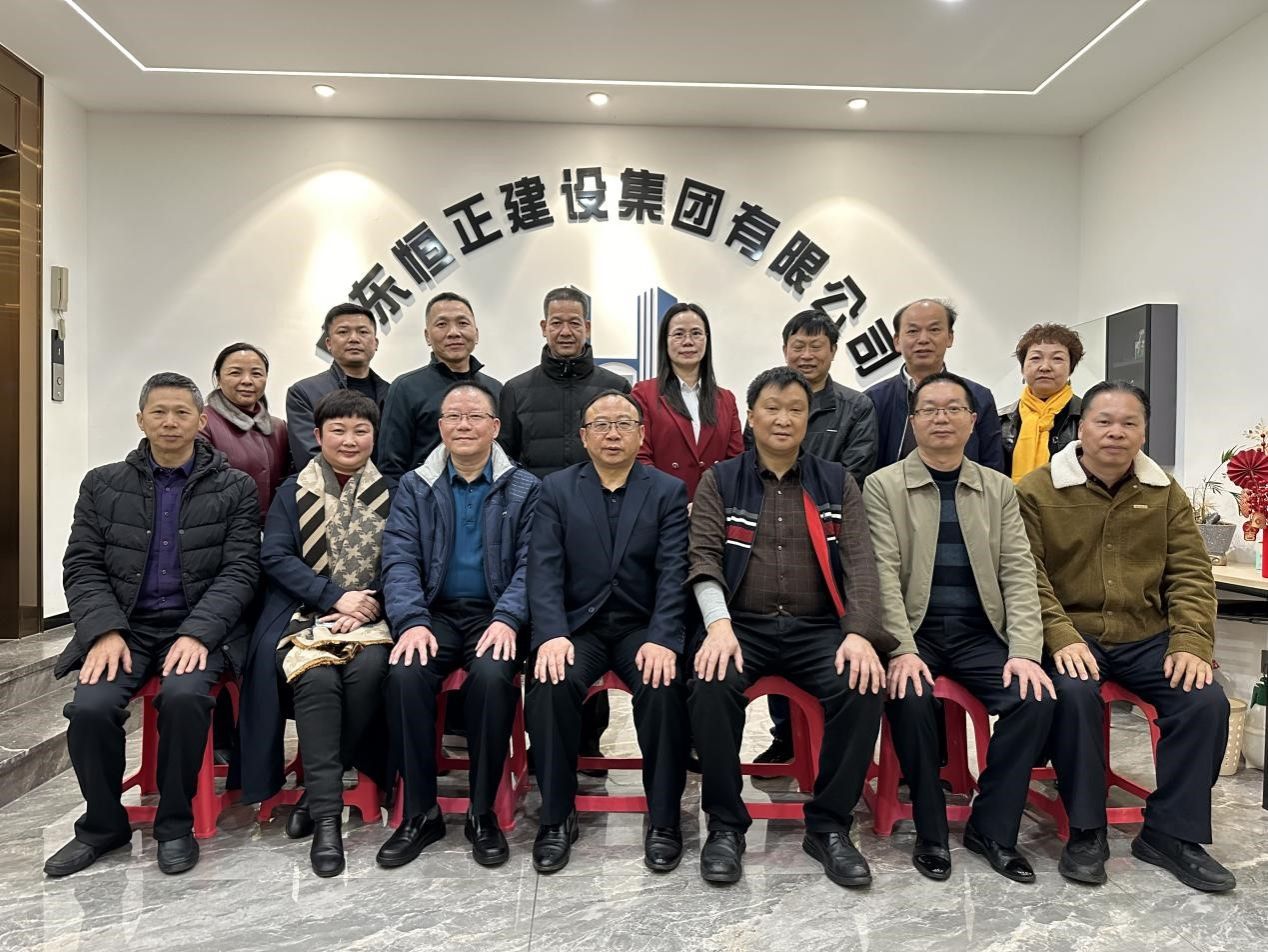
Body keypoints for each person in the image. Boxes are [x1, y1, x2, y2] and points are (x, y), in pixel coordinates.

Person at [1017, 381, 1236, 893]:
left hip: (1145, 635)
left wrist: (1191, 641)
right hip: (1073, 633)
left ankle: (1170, 833)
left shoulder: (1165, 492)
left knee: (1204, 701)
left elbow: (1190, 573)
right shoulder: (1037, 490)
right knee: (1072, 694)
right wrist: (1059, 635)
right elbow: (1026, 575)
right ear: (1081, 427)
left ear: (1144, 431)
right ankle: (1086, 830)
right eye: (1104, 421)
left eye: (1129, 422)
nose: (1116, 432)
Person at [44, 373, 259, 878]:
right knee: (91, 709)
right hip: (125, 628)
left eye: (182, 412)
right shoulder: (102, 484)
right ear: (140, 419)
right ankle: (102, 826)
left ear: (201, 421)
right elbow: (82, 566)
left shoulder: (235, 487)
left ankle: (175, 824)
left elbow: (241, 570)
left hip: (198, 628)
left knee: (185, 699)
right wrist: (103, 629)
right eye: (158, 412)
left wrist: (199, 631)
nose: (170, 422)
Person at [688, 367, 895, 887]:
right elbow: (704, 558)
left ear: (809, 420)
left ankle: (829, 826)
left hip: (818, 628)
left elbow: (861, 564)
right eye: (772, 408)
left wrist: (858, 633)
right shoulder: (720, 480)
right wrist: (718, 625)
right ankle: (726, 825)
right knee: (710, 684)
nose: (783, 419)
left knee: (861, 684)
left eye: (796, 410)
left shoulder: (836, 481)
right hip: (741, 626)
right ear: (750, 417)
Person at [863, 371, 1055, 883]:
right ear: (913, 421)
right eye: (929, 409)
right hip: (916, 632)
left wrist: (1024, 652)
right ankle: (930, 831)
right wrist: (901, 650)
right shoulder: (882, 485)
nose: (941, 418)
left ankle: (992, 828)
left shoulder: (998, 489)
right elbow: (882, 575)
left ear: (973, 421)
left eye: (953, 409)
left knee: (1035, 698)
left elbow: (1019, 572)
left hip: (979, 633)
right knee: (910, 697)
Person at [524, 391, 690, 875]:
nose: (612, 433)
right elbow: (543, 569)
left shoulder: (666, 491)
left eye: (623, 424)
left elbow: (674, 572)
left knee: (664, 685)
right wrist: (551, 632)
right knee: (550, 681)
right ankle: (556, 816)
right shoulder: (556, 489)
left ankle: (664, 818)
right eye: (601, 425)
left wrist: (664, 637)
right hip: (579, 628)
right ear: (584, 436)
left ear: (641, 434)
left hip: (641, 627)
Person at [376, 382, 538, 870]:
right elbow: (398, 559)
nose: (463, 425)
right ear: (440, 426)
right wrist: (411, 621)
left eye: (475, 417)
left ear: (495, 426)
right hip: (434, 614)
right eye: (453, 417)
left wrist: (509, 617)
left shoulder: (525, 487)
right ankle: (420, 812)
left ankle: (481, 812)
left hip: (495, 615)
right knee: (404, 675)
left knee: (491, 678)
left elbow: (534, 565)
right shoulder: (415, 485)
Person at [238, 390, 393, 877]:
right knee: (318, 678)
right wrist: (334, 597)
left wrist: (367, 604)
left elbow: (407, 558)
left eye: (360, 430)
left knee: (370, 669)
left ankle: (315, 794)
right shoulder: (293, 491)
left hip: (372, 614)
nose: (349, 440)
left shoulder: (395, 490)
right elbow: (276, 557)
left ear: (375, 436)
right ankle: (328, 820)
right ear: (318, 435)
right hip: (303, 613)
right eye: (338, 430)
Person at [499, 286, 633, 764]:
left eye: (574, 321)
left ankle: (589, 741)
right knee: (549, 633)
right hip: (537, 530)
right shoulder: (516, 390)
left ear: (588, 327)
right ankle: (546, 746)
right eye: (556, 322)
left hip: (604, 529)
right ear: (543, 327)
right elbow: (507, 463)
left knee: (595, 626)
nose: (565, 330)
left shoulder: (614, 388)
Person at [752, 309, 880, 764]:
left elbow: (856, 468)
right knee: (768, 610)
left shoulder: (855, 406)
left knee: (821, 642)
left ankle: (828, 746)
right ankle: (785, 737)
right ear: (785, 349)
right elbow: (756, 463)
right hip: (772, 528)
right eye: (798, 346)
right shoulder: (767, 399)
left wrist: (812, 494)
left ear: (833, 351)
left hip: (831, 530)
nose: (806, 354)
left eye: (816, 346)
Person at [865, 299, 1004, 473]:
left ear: (950, 337)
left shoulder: (979, 397)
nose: (923, 339)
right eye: (913, 331)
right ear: (897, 341)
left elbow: (993, 468)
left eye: (934, 330)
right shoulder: (873, 400)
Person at [377, 291, 503, 480]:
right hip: (423, 496)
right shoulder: (405, 388)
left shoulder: (495, 389)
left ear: (476, 334)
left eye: (462, 323)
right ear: (427, 336)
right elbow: (390, 468)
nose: (453, 333)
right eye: (442, 324)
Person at [631, 302, 743, 501]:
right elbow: (639, 457)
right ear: (665, 341)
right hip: (661, 506)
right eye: (679, 334)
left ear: (707, 339)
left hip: (713, 508)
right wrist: (672, 502)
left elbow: (735, 462)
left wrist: (708, 504)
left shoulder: (726, 399)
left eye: (696, 333)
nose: (688, 342)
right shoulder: (643, 393)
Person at [286, 303, 392, 468]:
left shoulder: (392, 393)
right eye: (343, 332)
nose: (354, 338)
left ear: (375, 343)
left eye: (363, 332)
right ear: (328, 343)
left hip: (388, 483)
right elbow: (310, 458)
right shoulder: (303, 393)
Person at [200, 342, 291, 523]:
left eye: (256, 374)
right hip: (222, 528)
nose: (247, 381)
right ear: (218, 378)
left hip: (272, 528)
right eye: (235, 373)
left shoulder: (279, 427)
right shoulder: (202, 423)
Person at [1000, 323, 1085, 482]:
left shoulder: (1087, 417)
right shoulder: (1000, 420)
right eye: (1035, 358)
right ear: (1022, 368)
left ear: (1071, 369)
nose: (1045, 367)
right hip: (1010, 498)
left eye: (1057, 359)